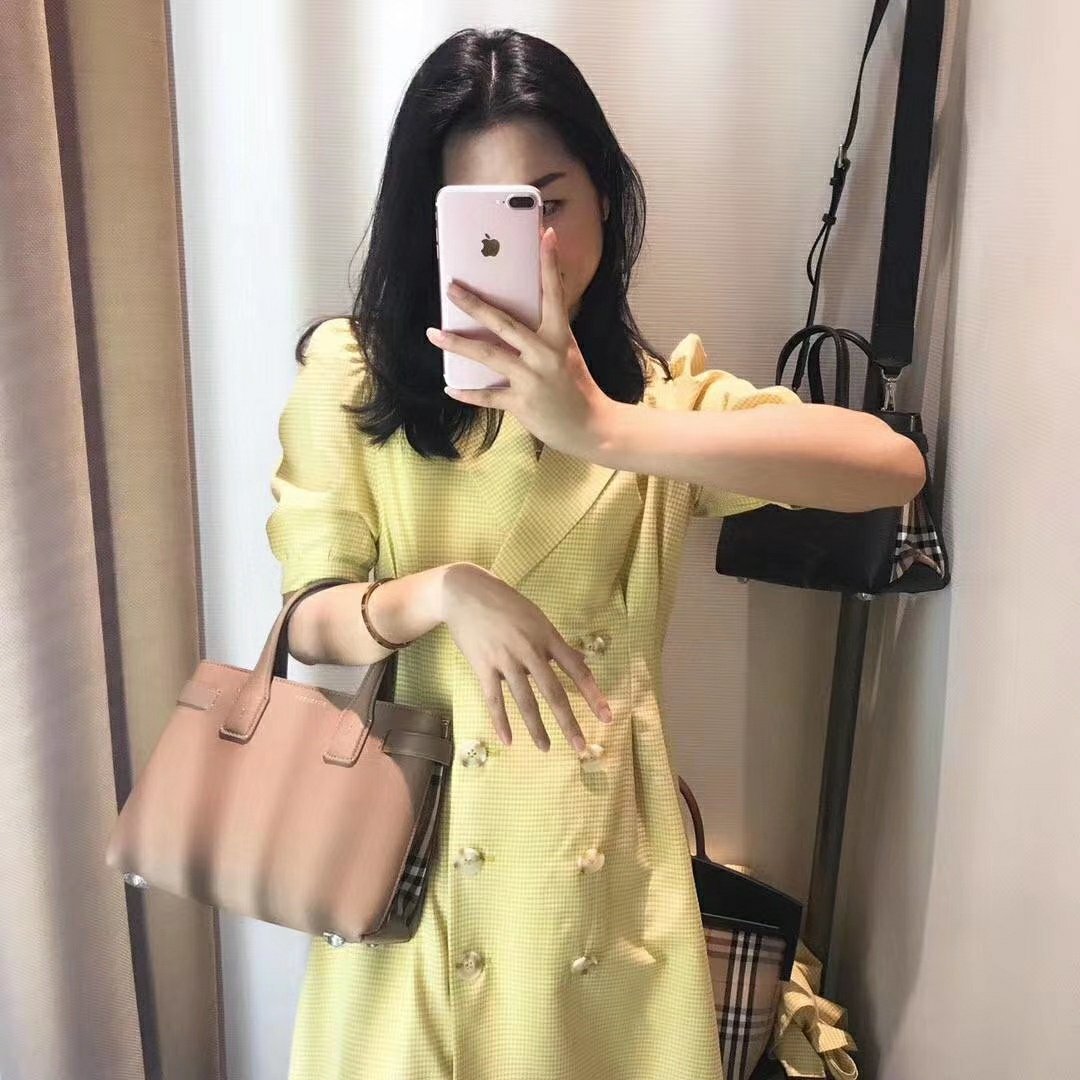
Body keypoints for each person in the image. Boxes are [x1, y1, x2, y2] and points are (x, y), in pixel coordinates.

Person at [266, 27, 925, 1080]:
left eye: (549, 203)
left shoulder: (659, 406)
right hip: (416, 884)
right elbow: (309, 617)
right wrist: (441, 594)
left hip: (604, 902)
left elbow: (888, 469)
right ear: (428, 227)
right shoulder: (355, 377)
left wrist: (606, 429)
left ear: (605, 201)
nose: (529, 246)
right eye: (483, 214)